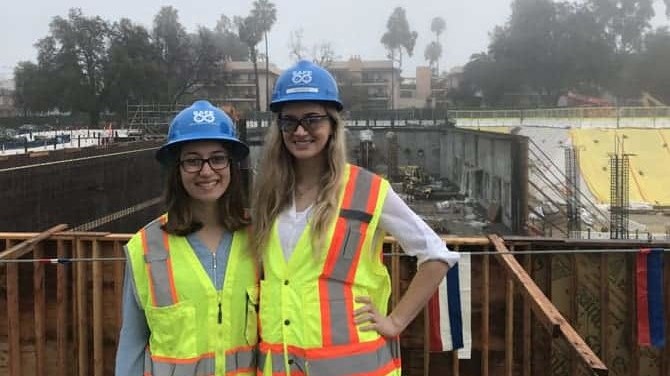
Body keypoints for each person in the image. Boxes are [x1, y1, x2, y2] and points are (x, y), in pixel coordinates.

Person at [251, 60, 460, 375]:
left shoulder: (369, 190)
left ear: (333, 124)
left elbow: (436, 255)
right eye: (289, 121)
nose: (300, 131)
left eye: (312, 119)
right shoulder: (269, 195)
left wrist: (396, 321)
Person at [115, 100, 258, 376]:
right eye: (193, 160)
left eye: (217, 158)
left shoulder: (259, 237)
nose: (206, 171)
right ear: (177, 170)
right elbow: (132, 343)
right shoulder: (145, 248)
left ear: (231, 165)